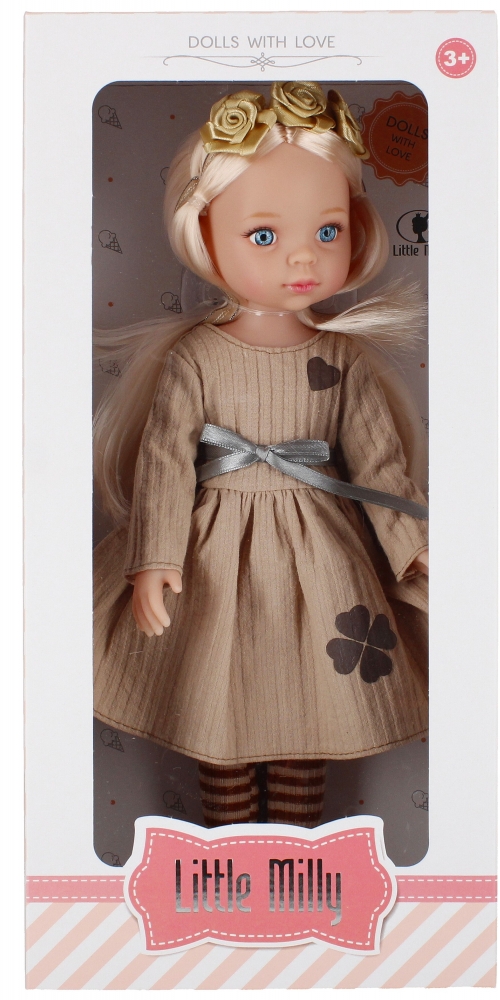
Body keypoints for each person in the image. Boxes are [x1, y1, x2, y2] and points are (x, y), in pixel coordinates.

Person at [94, 82, 428, 828]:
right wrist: (154, 558)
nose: (303, 256)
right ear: (202, 232)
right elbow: (164, 463)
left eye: (328, 230)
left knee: (313, 701)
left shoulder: (343, 359)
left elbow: (377, 465)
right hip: (213, 554)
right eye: (265, 236)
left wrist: (412, 544)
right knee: (217, 699)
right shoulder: (198, 356)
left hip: (323, 555)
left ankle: (298, 850)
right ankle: (230, 848)